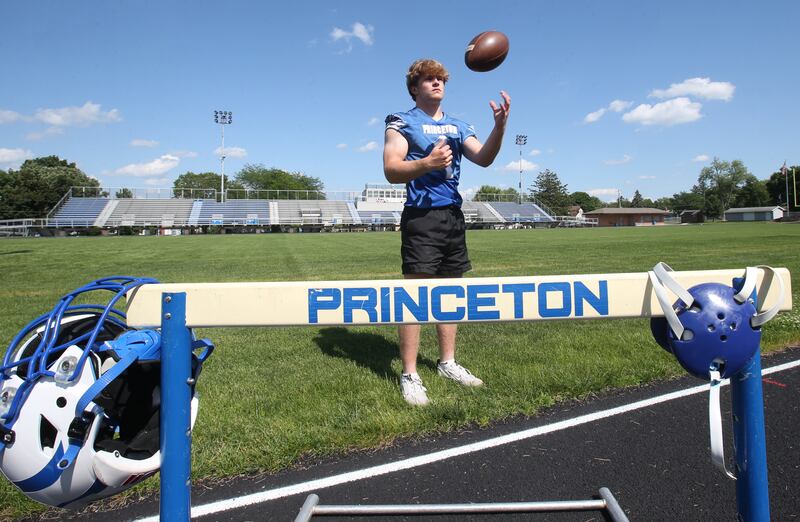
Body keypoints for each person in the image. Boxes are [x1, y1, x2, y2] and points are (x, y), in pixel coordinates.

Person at [382, 58, 510, 406]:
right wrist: (426, 164)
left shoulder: (458, 125)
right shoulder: (402, 121)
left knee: (450, 293)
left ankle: (447, 363)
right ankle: (409, 373)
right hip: (422, 218)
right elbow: (392, 169)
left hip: (453, 217)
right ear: (415, 87)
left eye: (441, 79)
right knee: (416, 298)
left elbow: (483, 158)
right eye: (428, 79)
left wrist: (499, 127)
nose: (437, 83)